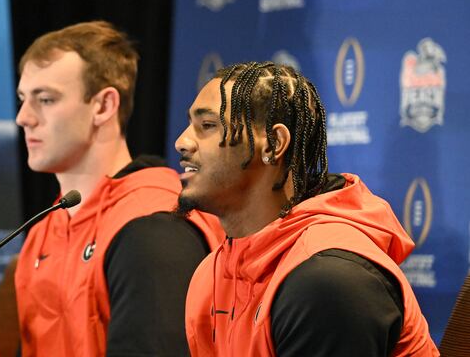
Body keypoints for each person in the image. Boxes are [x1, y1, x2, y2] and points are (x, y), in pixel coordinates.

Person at [175, 62, 438, 356]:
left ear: (273, 144)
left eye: (207, 125)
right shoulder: (213, 273)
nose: (181, 142)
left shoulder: (330, 279)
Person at [14, 21, 224, 356]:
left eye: (46, 99)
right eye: (23, 99)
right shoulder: (43, 230)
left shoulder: (154, 228)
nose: (24, 118)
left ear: (103, 106)